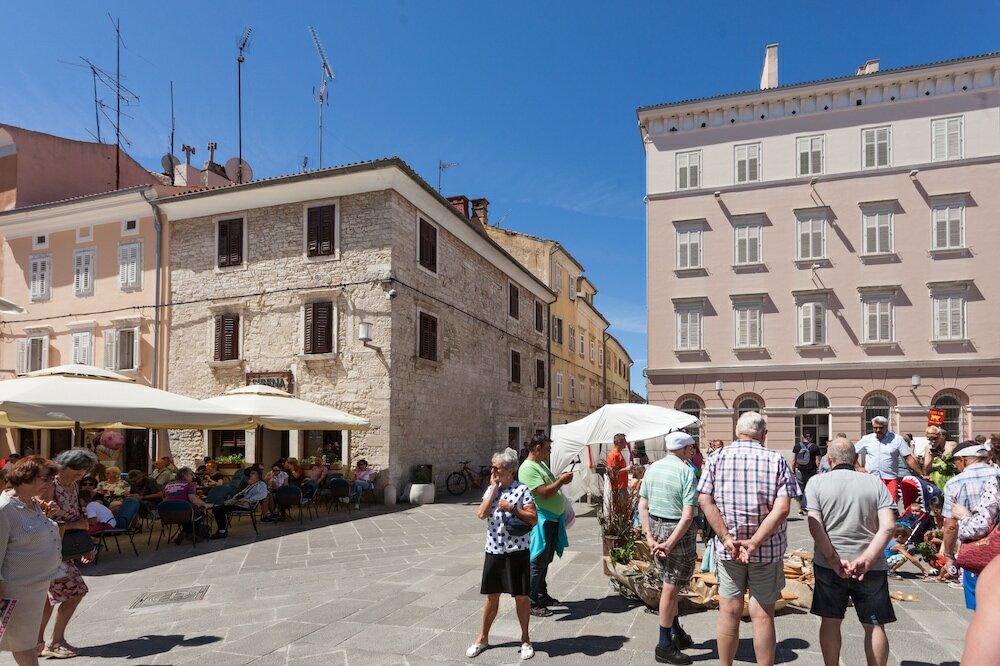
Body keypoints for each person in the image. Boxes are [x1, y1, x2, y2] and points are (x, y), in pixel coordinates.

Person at [697, 412, 798, 666]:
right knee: (763, 615)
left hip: (729, 549)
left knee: (728, 611)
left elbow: (704, 500)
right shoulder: (776, 460)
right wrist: (755, 542)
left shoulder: (717, 458)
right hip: (766, 549)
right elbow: (783, 508)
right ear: (763, 434)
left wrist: (726, 537)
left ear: (736, 431)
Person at [804, 437, 897, 666]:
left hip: (829, 565)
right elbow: (888, 526)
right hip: (870, 566)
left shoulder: (816, 482)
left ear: (829, 459)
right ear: (856, 459)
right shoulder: (874, 483)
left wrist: (834, 559)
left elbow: (814, 525)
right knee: (874, 624)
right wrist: (867, 559)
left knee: (831, 621)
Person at [466, 448, 537, 661]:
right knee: (492, 596)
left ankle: (525, 639)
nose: (492, 471)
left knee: (522, 598)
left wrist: (513, 508)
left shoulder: (522, 490)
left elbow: (533, 518)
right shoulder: (492, 489)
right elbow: (481, 514)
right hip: (494, 550)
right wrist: (494, 489)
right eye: (492, 467)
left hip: (517, 551)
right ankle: (482, 638)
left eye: (496, 468)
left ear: (509, 470)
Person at [639, 432, 698, 665]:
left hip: (655, 524)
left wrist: (650, 537)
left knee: (668, 581)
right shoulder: (686, 472)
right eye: (690, 447)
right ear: (683, 449)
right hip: (676, 531)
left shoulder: (652, 468)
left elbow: (642, 505)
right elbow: (687, 517)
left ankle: (675, 631)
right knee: (670, 588)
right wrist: (670, 543)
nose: (692, 451)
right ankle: (664, 645)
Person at [0, 456, 62, 666]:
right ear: (26, 477)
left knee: (26, 642)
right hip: (15, 591)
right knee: (23, 645)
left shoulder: (32, 503)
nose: (50, 483)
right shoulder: (4, 509)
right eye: (46, 478)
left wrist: (46, 517)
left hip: (35, 587)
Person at [39, 448, 99, 659]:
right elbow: (42, 518)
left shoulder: (71, 485)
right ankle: (55, 642)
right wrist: (77, 525)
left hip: (63, 549)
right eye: (77, 471)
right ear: (64, 466)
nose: (80, 476)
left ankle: (37, 643)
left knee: (47, 598)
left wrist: (86, 544)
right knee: (76, 592)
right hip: (49, 550)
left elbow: (76, 514)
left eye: (83, 472)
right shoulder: (49, 485)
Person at [518, 434, 573, 617]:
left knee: (545, 560)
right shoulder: (527, 468)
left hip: (552, 519)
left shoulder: (540, 465)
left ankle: (542, 595)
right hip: (542, 520)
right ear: (538, 448)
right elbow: (543, 493)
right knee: (537, 560)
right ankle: (533, 602)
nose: (550, 452)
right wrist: (561, 481)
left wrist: (558, 480)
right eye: (548, 449)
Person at [941, 441, 1000, 610]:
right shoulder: (996, 474)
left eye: (955, 462)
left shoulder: (954, 483)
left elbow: (950, 526)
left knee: (980, 609)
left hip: (977, 552)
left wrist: (949, 556)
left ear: (963, 460)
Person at [855, 416, 922, 499]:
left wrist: (921, 473)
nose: (878, 430)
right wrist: (858, 467)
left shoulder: (897, 439)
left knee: (891, 505)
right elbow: (853, 452)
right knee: (872, 504)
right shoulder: (867, 439)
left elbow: (908, 458)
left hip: (890, 479)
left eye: (881, 428)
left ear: (886, 426)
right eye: (875, 428)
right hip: (871, 478)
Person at [209, 469, 269, 539]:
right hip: (239, 503)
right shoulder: (251, 485)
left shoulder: (261, 484)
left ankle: (222, 531)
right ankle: (222, 529)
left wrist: (248, 500)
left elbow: (262, 495)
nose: (250, 475)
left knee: (218, 509)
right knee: (218, 508)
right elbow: (241, 493)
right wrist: (236, 497)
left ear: (258, 475)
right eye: (250, 474)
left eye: (253, 473)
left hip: (245, 505)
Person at [162, 467, 210, 544]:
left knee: (189, 511)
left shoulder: (168, 485)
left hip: (168, 515)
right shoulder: (189, 485)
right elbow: (193, 500)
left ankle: (186, 532)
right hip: (185, 514)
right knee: (200, 511)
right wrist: (204, 504)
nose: (192, 476)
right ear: (185, 475)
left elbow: (164, 499)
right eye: (191, 474)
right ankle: (188, 533)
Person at [792, 432, 820, 515]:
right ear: (811, 438)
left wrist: (793, 470)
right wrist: (818, 470)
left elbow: (793, 459)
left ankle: (799, 508)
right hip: (811, 471)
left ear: (802, 436)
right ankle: (810, 507)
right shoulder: (815, 447)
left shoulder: (797, 446)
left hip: (800, 470)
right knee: (811, 489)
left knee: (800, 489)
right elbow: (817, 461)